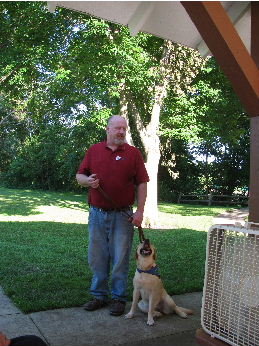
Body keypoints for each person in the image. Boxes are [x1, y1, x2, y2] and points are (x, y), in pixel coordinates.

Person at [76, 115, 149, 316]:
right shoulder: (94, 150)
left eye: (124, 128)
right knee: (98, 257)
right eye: (117, 128)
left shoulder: (133, 154)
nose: (121, 131)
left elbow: (142, 183)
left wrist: (140, 211)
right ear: (107, 129)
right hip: (97, 214)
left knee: (120, 258)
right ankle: (99, 295)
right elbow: (79, 175)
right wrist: (87, 181)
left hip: (122, 216)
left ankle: (118, 298)